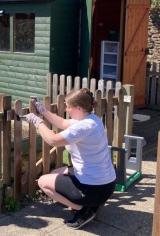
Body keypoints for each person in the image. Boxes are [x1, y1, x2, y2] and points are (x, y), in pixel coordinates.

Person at [23, 88, 116, 230]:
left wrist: (37, 122)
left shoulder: (84, 127)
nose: (66, 109)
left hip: (94, 188)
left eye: (68, 107)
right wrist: (43, 111)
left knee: (43, 182)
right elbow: (61, 123)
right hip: (106, 183)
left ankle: (83, 210)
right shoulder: (92, 119)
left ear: (79, 108)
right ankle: (89, 202)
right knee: (56, 173)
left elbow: (53, 140)